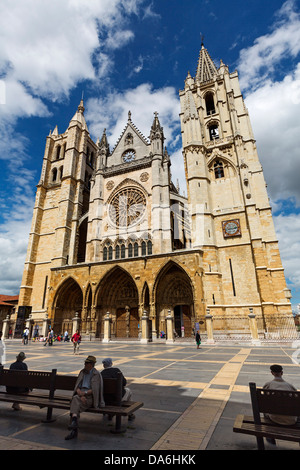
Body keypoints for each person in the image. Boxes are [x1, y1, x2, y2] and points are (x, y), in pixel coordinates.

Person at [65, 355, 105, 440]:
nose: (85, 364)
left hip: (90, 397)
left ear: (91, 364)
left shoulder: (96, 374)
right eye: (85, 363)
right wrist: (80, 393)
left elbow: (95, 390)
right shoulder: (82, 372)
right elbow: (77, 385)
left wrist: (84, 394)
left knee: (75, 402)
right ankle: (74, 423)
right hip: (80, 396)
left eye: (87, 363)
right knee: (76, 402)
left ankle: (73, 428)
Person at [263, 364, 298, 445]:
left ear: (272, 373)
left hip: (274, 418)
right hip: (291, 420)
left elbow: (264, 402)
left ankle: (269, 436)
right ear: (282, 373)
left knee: (265, 412)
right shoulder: (290, 386)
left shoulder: (268, 385)